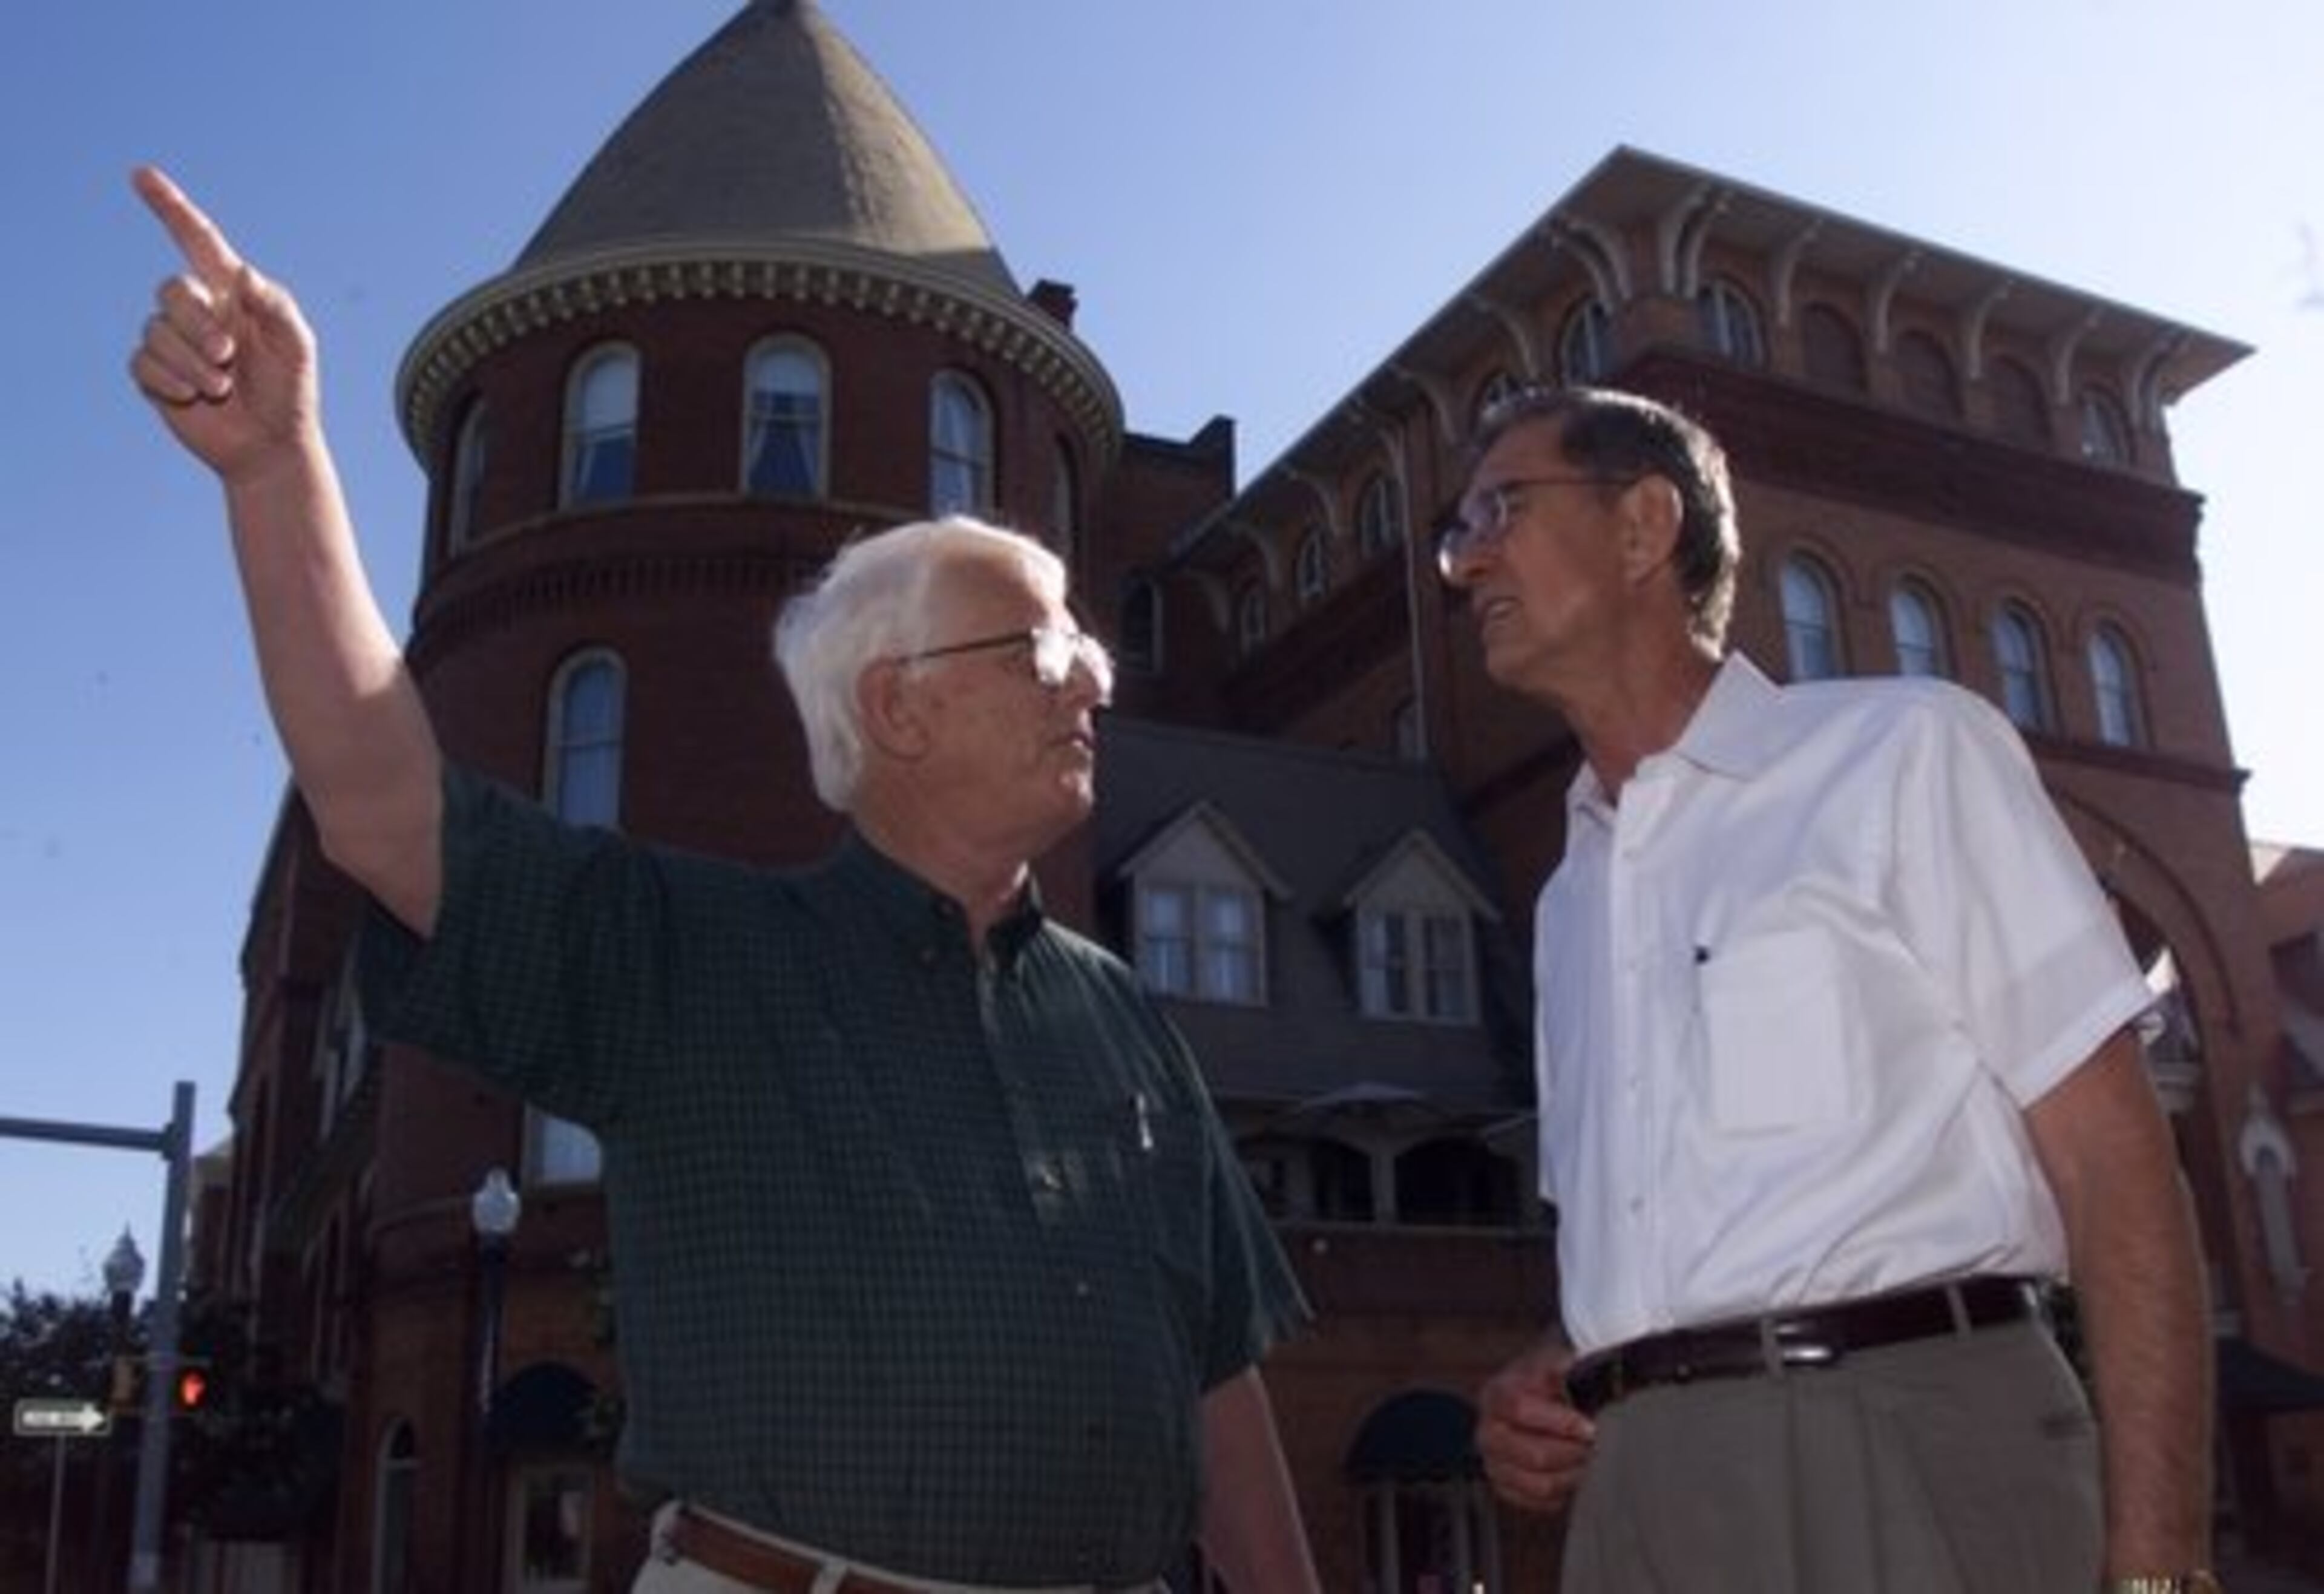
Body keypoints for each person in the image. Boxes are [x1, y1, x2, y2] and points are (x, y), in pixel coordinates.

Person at [128, 165, 1321, 1594]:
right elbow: (389, 817)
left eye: (1092, 647)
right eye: (1040, 650)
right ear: (896, 708)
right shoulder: (696, 958)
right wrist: (276, 471)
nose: (1092, 681)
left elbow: (1222, 1392)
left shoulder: (1126, 1021)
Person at [1443, 385, 2214, 1592]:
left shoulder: (1905, 755)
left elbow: (2118, 1166)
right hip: (1634, 1500)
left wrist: (2162, 1569)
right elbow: (1685, 1249)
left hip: (1904, 1452)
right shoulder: (1565, 901)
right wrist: (1557, 1370)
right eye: (1458, 528)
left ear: (1646, 526)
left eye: (1502, 508)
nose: (1465, 559)